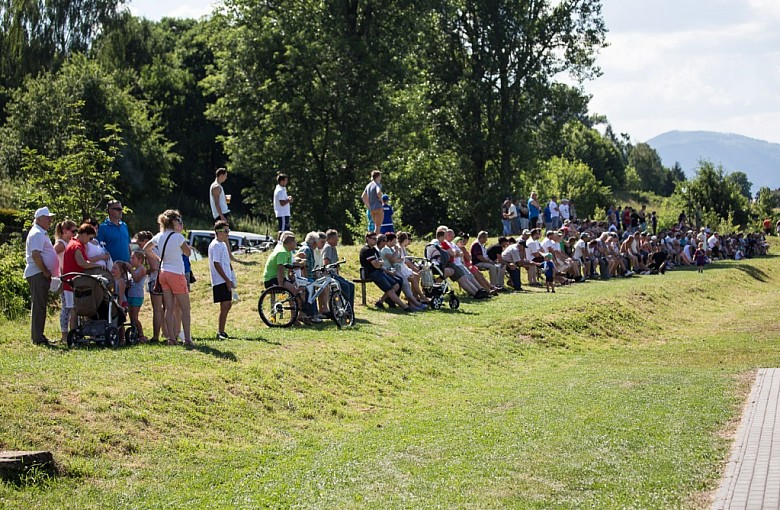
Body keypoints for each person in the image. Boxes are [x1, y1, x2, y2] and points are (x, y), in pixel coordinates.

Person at [143, 210, 193, 347]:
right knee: (185, 307)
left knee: (168, 308)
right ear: (173, 221)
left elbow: (147, 249)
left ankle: (171, 338)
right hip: (176, 273)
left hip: (163, 273)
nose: (180, 222)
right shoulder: (178, 237)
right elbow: (187, 253)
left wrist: (158, 258)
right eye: (178, 219)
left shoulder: (160, 235)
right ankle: (187, 339)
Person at [24, 207, 59, 345]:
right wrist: (45, 270)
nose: (50, 220)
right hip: (37, 273)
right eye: (47, 217)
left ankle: (39, 336)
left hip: (39, 273)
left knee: (40, 305)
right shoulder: (37, 234)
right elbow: (36, 255)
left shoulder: (40, 233)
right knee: (39, 306)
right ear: (39, 219)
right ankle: (37, 338)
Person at [62, 223, 104, 333]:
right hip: (73, 283)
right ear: (84, 234)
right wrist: (98, 265)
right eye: (89, 238)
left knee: (75, 309)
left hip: (75, 283)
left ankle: (78, 333)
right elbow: (82, 263)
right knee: (74, 310)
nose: (89, 241)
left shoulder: (74, 243)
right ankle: (72, 335)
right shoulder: (76, 246)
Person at [359, 232, 411, 310]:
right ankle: (404, 306)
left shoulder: (373, 249)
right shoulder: (366, 250)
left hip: (378, 271)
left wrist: (379, 263)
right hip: (371, 273)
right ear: (367, 239)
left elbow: (380, 262)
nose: (375, 241)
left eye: (376, 239)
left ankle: (380, 302)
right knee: (390, 289)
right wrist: (379, 263)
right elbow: (376, 265)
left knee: (396, 285)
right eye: (373, 239)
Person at [136, 230, 165, 343]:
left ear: (146, 241)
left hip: (156, 280)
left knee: (157, 309)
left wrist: (145, 271)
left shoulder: (149, 250)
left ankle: (156, 336)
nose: (140, 245)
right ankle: (168, 333)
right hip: (165, 278)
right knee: (166, 308)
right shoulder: (159, 248)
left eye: (140, 243)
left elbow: (153, 267)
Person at [209, 220, 235, 339]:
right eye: (225, 231)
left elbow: (227, 262)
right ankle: (220, 331)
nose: (227, 233)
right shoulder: (215, 245)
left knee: (227, 304)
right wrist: (226, 279)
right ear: (218, 232)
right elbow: (216, 263)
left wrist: (232, 276)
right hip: (220, 280)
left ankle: (222, 330)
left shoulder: (223, 244)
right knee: (225, 305)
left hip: (226, 278)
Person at [321, 229, 356, 311]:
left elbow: (336, 265)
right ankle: (344, 309)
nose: (338, 240)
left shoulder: (333, 248)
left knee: (351, 285)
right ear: (331, 239)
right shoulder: (328, 247)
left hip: (334, 275)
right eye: (336, 238)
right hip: (329, 275)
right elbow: (326, 263)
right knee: (346, 286)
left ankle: (349, 309)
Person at [54, 220, 77, 342]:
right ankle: (64, 335)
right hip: (64, 278)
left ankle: (70, 333)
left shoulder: (70, 242)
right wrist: (58, 271)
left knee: (72, 306)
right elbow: (52, 255)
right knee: (66, 308)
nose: (75, 233)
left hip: (70, 278)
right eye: (73, 231)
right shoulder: (61, 244)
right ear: (65, 231)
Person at [127, 250, 147, 343]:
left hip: (137, 296)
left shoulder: (142, 269)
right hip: (131, 295)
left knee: (135, 317)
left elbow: (137, 279)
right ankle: (134, 332)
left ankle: (141, 335)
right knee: (131, 317)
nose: (131, 260)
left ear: (140, 260)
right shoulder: (134, 270)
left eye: (133, 258)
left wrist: (131, 269)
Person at [361, 170, 384, 235]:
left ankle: (372, 240)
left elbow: (363, 196)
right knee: (378, 227)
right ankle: (375, 242)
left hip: (372, 209)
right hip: (378, 207)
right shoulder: (377, 184)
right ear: (378, 176)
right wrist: (382, 202)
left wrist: (368, 206)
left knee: (374, 227)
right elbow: (378, 192)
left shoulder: (368, 185)